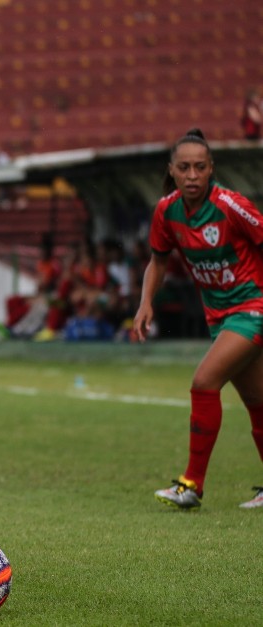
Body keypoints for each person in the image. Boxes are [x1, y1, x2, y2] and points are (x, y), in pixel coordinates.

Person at [133, 128, 263, 511]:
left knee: (204, 382)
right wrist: (145, 303)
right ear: (171, 170)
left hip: (253, 308)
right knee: (256, 401)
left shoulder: (232, 206)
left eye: (200, 167)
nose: (192, 174)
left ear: (211, 170)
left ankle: (191, 484)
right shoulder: (166, 211)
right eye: (185, 167)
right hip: (219, 318)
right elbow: (158, 261)